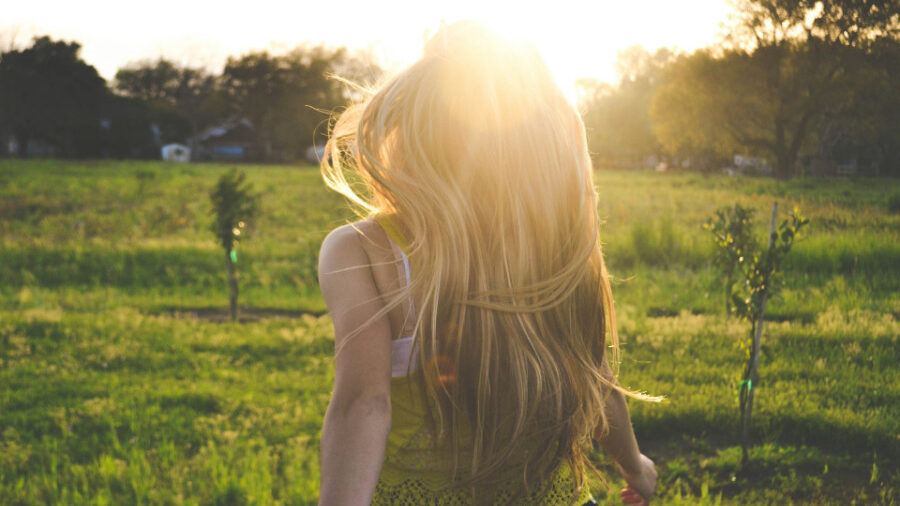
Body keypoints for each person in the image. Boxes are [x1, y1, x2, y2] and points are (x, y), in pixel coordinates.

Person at [316, 21, 659, 506]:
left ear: (412, 131)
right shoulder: (552, 250)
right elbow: (596, 382)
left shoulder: (362, 249)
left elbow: (363, 405)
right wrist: (636, 467)